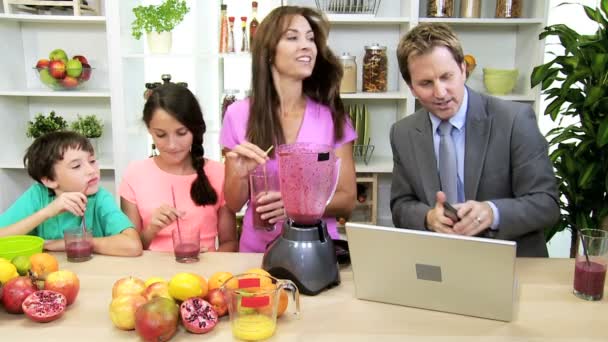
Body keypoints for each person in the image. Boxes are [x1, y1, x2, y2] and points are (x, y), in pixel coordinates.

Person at [390, 23, 560, 257]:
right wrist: (428, 218)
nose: (440, 93)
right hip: (439, 261)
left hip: (510, 263)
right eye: (426, 83)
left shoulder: (515, 120)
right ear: (411, 87)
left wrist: (492, 212)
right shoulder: (403, 133)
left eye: (446, 77)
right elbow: (401, 205)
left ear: (463, 69)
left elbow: (546, 203)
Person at [220, 6, 357, 252]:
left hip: (318, 252)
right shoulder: (238, 114)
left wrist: (297, 206)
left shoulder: (333, 117)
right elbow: (233, 202)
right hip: (257, 254)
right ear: (269, 52)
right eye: (293, 37)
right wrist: (238, 175)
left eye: (311, 38)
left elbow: (347, 199)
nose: (307, 46)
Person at [120, 83, 237, 252]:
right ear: (149, 130)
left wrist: (211, 260)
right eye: (161, 135)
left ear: (194, 129)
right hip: (151, 276)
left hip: (202, 275)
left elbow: (230, 243)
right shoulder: (134, 175)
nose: (172, 145)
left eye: (181, 133)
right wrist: (152, 229)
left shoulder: (219, 173)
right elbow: (130, 248)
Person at [0, 131, 142, 257]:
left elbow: (132, 245)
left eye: (92, 161)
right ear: (49, 180)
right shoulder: (37, 195)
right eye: (76, 166)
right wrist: (48, 212)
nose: (91, 170)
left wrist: (65, 243)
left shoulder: (99, 198)